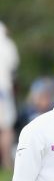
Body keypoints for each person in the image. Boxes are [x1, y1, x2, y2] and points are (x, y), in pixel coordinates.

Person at [0, 21, 18, 169]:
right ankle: (6, 163)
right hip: (3, 90)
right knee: (6, 127)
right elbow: (13, 70)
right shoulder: (7, 45)